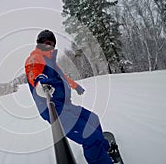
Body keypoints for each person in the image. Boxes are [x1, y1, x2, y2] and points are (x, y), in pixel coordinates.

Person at [25, 29, 113, 164]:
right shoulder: (35, 57)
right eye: (44, 42)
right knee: (89, 137)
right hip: (54, 109)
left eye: (50, 43)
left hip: (66, 105)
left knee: (93, 119)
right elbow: (34, 72)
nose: (47, 45)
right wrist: (39, 83)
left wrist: (75, 86)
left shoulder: (52, 63)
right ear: (38, 44)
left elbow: (63, 78)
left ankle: (103, 151)